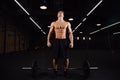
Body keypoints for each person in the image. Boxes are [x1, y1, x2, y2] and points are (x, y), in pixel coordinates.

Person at [47, 10, 73, 77]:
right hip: (56, 41)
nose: (60, 13)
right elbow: (50, 33)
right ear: (57, 15)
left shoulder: (67, 23)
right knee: (55, 58)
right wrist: (48, 41)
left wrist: (71, 42)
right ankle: (55, 71)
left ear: (63, 15)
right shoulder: (53, 23)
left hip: (64, 41)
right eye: (59, 13)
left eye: (61, 13)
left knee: (66, 58)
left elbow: (70, 33)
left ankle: (65, 71)